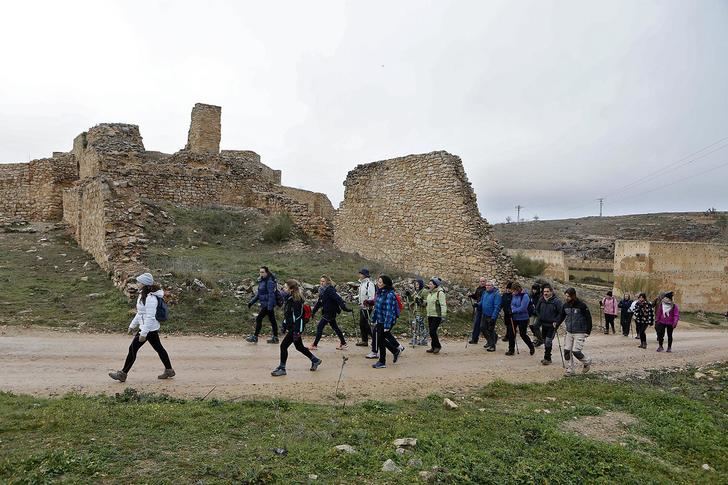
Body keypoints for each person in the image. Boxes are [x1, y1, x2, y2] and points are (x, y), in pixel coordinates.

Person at [109, 273, 175, 382]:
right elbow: (140, 313)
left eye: (139, 282)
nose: (137, 284)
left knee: (133, 349)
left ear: (144, 284)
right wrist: (132, 325)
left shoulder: (150, 299)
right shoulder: (142, 295)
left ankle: (123, 374)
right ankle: (169, 370)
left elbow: (150, 317)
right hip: (147, 328)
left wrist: (143, 334)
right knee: (159, 348)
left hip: (148, 329)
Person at [271, 280, 322, 376]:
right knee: (299, 346)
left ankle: (282, 368)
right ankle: (315, 360)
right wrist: (284, 325)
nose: (283, 289)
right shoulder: (289, 299)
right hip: (292, 327)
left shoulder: (296, 301)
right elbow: (288, 316)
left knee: (283, 346)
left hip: (295, 328)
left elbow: (298, 318)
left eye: (285, 287)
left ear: (291, 289)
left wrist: (297, 331)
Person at [556, 288, 592, 376]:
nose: (566, 298)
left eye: (568, 296)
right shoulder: (565, 306)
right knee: (567, 351)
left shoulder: (582, 306)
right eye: (566, 296)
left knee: (576, 351)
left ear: (573, 296)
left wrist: (588, 331)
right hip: (569, 332)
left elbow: (588, 318)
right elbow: (561, 317)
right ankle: (570, 370)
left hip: (580, 332)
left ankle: (587, 361)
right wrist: (556, 325)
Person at [310, 275, 351, 350]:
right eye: (321, 281)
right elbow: (319, 303)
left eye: (323, 281)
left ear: (327, 282)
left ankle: (314, 345)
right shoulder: (322, 290)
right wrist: (313, 312)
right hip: (328, 312)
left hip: (330, 312)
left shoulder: (330, 290)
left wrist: (345, 308)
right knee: (335, 327)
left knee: (320, 326)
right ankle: (343, 343)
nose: (321, 283)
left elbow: (338, 299)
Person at [371, 275, 403, 368]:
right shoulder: (379, 293)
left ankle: (382, 362)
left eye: (380, 282)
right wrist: (373, 319)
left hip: (387, 321)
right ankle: (395, 351)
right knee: (380, 339)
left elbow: (389, 311)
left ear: (385, 284)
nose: (378, 283)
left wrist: (387, 325)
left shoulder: (389, 294)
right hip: (380, 320)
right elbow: (377, 308)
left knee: (380, 340)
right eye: (378, 281)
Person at [246, 266, 279, 344]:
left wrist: (269, 307)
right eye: (260, 272)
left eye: (263, 272)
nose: (261, 273)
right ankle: (275, 338)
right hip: (265, 304)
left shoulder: (269, 281)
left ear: (267, 272)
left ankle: (255, 337)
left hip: (268, 304)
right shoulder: (262, 281)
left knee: (259, 319)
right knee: (272, 320)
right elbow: (259, 294)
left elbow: (271, 295)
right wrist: (252, 302)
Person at [535, 284, 563, 365]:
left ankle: (547, 358)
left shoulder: (556, 301)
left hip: (552, 325)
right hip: (543, 324)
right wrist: (540, 316)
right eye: (544, 291)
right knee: (545, 340)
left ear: (551, 292)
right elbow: (537, 309)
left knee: (548, 341)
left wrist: (556, 321)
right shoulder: (541, 300)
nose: (545, 293)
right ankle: (546, 357)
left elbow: (561, 313)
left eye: (547, 291)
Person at [507, 282, 535, 356]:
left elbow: (523, 308)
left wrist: (513, 310)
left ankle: (531, 347)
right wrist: (512, 309)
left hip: (523, 318)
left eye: (514, 290)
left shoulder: (525, 296)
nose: (513, 292)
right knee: (511, 333)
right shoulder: (514, 295)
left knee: (523, 334)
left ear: (518, 289)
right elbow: (512, 304)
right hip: (514, 317)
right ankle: (511, 350)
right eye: (512, 291)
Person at [355, 269, 376, 351]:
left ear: (365, 275)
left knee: (365, 323)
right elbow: (362, 294)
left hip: (367, 307)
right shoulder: (362, 284)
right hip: (362, 306)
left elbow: (371, 295)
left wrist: (369, 303)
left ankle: (374, 338)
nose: (359, 275)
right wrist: (356, 298)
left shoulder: (369, 284)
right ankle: (364, 340)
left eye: (361, 274)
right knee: (362, 323)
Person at [425, 277, 447, 354]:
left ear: (435, 285)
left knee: (432, 331)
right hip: (430, 315)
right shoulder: (430, 292)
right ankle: (433, 346)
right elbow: (429, 302)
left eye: (431, 284)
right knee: (431, 332)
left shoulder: (440, 293)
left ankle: (437, 346)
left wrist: (443, 315)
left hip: (437, 315)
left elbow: (443, 305)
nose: (429, 285)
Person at [405, 278, 429, 347]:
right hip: (415, 311)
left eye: (418, 284)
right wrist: (408, 295)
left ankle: (424, 340)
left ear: (421, 284)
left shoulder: (424, 291)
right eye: (415, 284)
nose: (416, 285)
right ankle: (415, 339)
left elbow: (426, 302)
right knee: (414, 325)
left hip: (422, 311)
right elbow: (412, 301)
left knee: (421, 325)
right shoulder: (416, 291)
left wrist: (421, 301)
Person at [479, 280, 502, 352]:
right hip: (485, 314)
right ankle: (490, 341)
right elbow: (482, 302)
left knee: (490, 330)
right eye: (487, 285)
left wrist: (493, 317)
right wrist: (477, 304)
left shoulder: (496, 294)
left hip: (491, 315)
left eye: (489, 285)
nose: (487, 287)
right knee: (482, 328)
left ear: (493, 286)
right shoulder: (485, 293)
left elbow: (497, 307)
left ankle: (492, 346)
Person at [468, 277, 488, 345]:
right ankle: (474, 339)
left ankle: (493, 338)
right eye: (481, 281)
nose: (482, 282)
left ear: (485, 282)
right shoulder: (478, 288)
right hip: (478, 308)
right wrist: (471, 296)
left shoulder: (487, 289)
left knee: (484, 325)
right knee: (476, 324)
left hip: (484, 309)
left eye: (483, 281)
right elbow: (476, 296)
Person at [500, 281, 514, 345]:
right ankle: (508, 335)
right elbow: (502, 303)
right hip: (506, 312)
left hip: (511, 313)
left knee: (510, 325)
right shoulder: (504, 295)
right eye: (507, 288)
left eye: (509, 289)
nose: (508, 290)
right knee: (507, 324)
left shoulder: (513, 296)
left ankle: (509, 336)